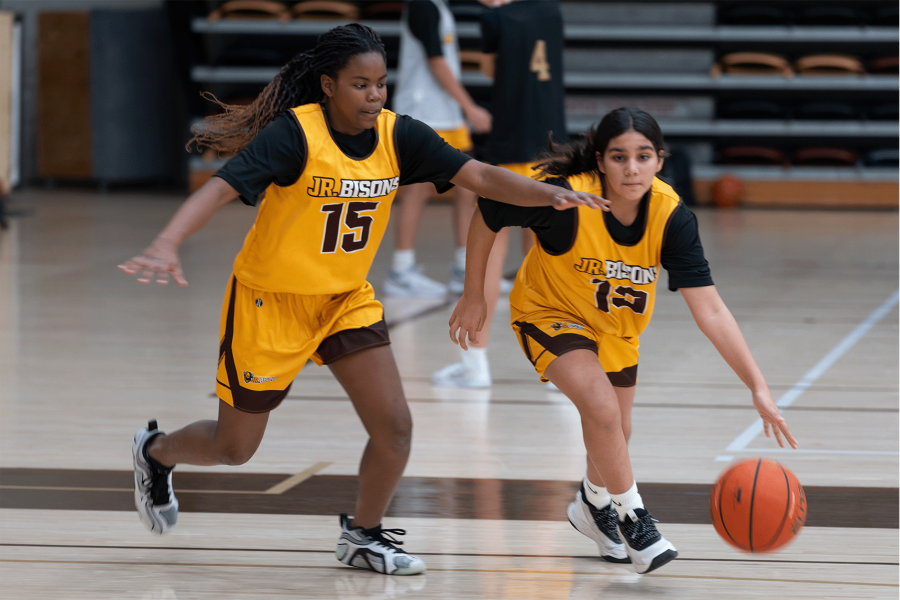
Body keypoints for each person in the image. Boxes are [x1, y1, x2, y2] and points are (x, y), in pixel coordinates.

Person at [118, 24, 601, 577]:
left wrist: (551, 193)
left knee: (395, 426)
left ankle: (363, 537)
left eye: (381, 84)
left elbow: (482, 175)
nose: (374, 96)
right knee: (235, 448)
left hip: (345, 300)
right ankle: (155, 452)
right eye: (360, 85)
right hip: (270, 304)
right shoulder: (293, 136)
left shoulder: (400, 136)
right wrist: (166, 241)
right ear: (328, 85)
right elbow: (220, 186)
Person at [447, 107, 797, 574]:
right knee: (601, 407)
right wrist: (474, 294)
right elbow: (488, 209)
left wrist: (757, 385)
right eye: (619, 157)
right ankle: (635, 519)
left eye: (643, 156)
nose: (631, 168)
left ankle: (592, 505)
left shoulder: (671, 217)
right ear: (600, 161)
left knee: (615, 433)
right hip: (549, 313)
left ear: (659, 161)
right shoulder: (566, 199)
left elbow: (710, 308)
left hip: (616, 331)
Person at [432, 0, 567, 387]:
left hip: (511, 142)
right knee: (548, 257)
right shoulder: (551, 11)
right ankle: (563, 365)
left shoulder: (494, 18)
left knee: (492, 251)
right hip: (553, 147)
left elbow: (492, 69)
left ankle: (475, 361)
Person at [385, 0, 492, 297]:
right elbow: (436, 62)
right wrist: (470, 106)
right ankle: (401, 269)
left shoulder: (438, 6)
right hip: (423, 112)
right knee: (416, 190)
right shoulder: (423, 7)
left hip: (445, 112)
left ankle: (463, 267)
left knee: (468, 188)